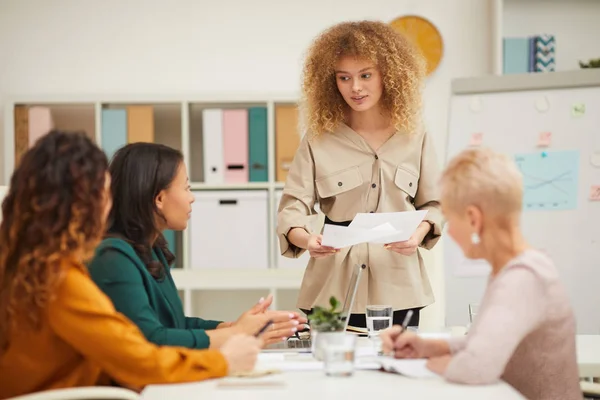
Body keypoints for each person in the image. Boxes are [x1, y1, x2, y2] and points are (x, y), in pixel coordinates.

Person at [0, 131, 262, 399]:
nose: (108, 204)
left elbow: (134, 337)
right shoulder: (61, 279)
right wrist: (224, 361)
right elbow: (140, 356)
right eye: (103, 194)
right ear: (82, 206)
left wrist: (229, 332)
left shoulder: (25, 269)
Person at [277, 20, 442, 328]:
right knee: (331, 370)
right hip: (331, 291)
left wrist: (418, 234)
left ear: (387, 75)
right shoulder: (317, 139)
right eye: (344, 78)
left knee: (395, 370)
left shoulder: (415, 135)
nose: (355, 87)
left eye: (365, 75)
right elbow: (292, 208)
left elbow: (435, 204)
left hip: (399, 287)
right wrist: (308, 239)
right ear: (331, 82)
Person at [381, 148, 582, 400]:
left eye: (451, 221)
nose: (450, 233)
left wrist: (427, 365)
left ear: (474, 219)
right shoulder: (519, 269)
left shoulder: (522, 279)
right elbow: (487, 343)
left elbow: (475, 366)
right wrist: (431, 347)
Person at [89, 142, 307, 350]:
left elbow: (174, 326)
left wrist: (232, 327)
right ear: (159, 199)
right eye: (186, 187)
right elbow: (151, 340)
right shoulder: (113, 257)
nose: (191, 198)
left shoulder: (152, 249)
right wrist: (235, 335)